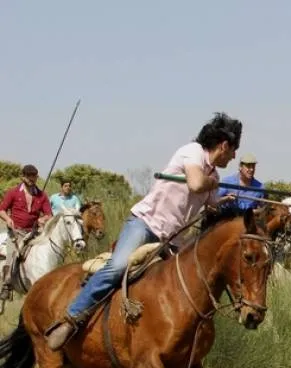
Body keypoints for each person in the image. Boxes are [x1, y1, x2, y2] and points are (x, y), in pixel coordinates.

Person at [44, 112, 243, 351]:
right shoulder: (193, 152)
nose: (233, 157)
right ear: (224, 145)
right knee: (118, 267)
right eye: (233, 151)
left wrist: (224, 200)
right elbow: (196, 184)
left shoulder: (213, 174)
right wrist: (213, 184)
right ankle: (70, 319)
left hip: (172, 240)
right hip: (145, 225)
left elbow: (208, 203)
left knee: (188, 285)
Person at [0, 164, 53, 300]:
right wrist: (7, 219)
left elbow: (49, 214)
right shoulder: (13, 192)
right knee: (12, 254)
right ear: (22, 177)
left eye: (33, 176)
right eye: (28, 175)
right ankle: (7, 285)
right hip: (16, 231)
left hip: (33, 233)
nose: (31, 178)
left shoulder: (42, 196)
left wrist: (43, 219)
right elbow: (2, 210)